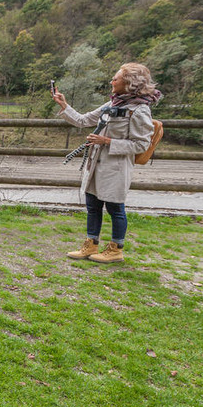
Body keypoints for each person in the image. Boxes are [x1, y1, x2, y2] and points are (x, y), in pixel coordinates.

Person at [52, 63, 161, 263]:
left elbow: (141, 144)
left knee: (115, 208)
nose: (112, 81)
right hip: (96, 165)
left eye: (116, 78)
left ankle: (116, 249)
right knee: (93, 205)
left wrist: (107, 141)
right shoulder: (112, 104)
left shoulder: (140, 110)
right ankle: (90, 244)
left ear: (129, 83)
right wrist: (64, 105)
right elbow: (83, 120)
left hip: (116, 168)